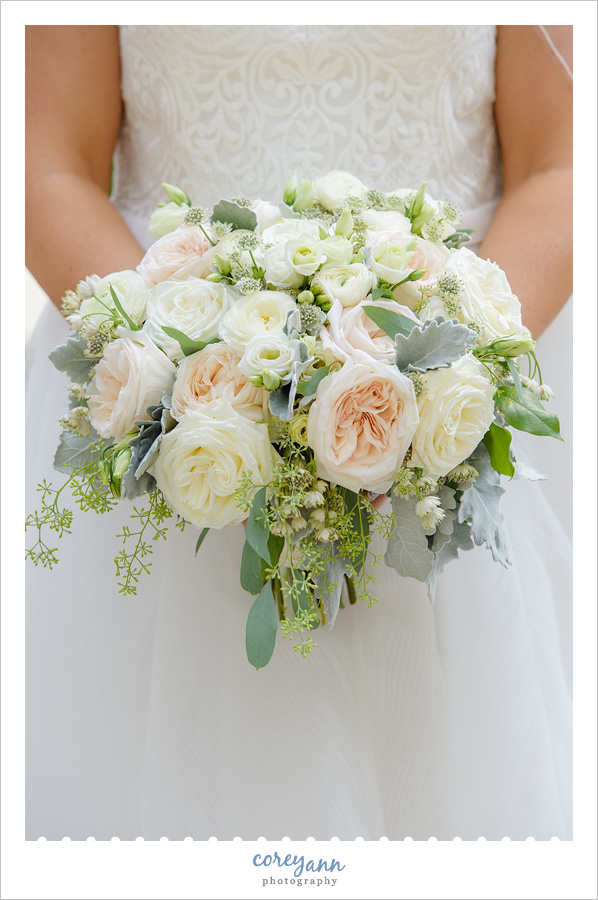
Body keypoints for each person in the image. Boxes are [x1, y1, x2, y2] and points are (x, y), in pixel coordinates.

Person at [25, 25, 573, 840]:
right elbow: (47, 163)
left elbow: (560, 163)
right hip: (170, 390)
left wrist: (435, 384)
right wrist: (190, 381)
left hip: (454, 403)